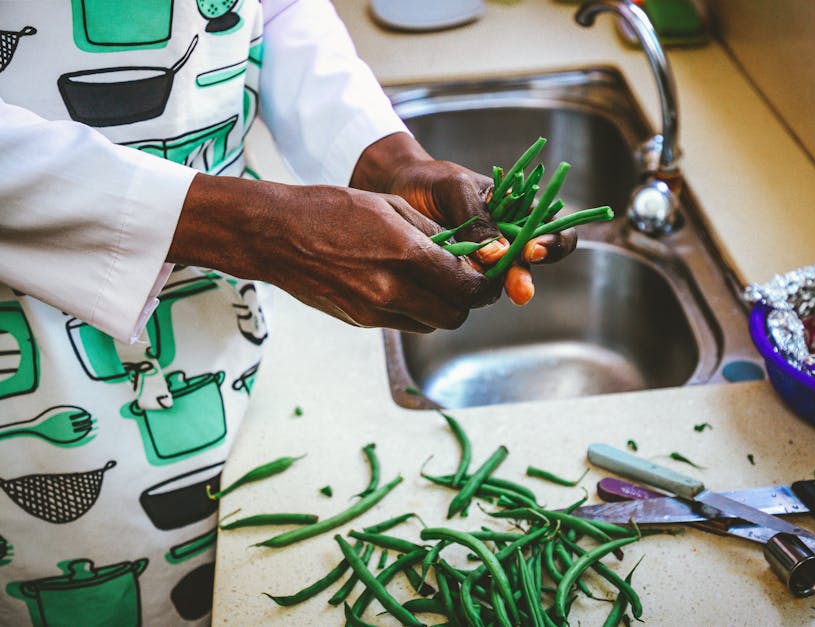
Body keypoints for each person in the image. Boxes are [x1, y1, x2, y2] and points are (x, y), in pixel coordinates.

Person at [0, 1, 574, 624]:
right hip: (29, 378)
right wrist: (254, 227)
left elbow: (275, 11)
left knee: (232, 577)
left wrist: (391, 163)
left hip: (224, 323)